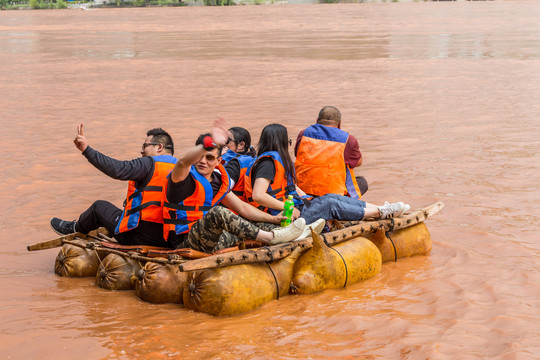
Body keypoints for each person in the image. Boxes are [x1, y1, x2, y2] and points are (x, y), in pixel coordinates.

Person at [163, 118, 306, 253]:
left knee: (251, 221)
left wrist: (273, 219)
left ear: (219, 161)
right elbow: (182, 163)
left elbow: (243, 208)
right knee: (218, 212)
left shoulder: (217, 180)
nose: (203, 161)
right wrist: (205, 146)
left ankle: (296, 233)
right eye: (200, 157)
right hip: (186, 240)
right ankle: (271, 238)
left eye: (209, 158)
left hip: (211, 239)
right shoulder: (182, 177)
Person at [244, 123, 410, 228]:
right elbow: (258, 195)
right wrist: (289, 209)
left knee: (330, 197)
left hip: (295, 208)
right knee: (330, 205)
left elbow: (290, 188)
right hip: (283, 216)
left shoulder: (274, 162)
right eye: (287, 141)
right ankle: (378, 213)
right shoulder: (267, 164)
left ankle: (381, 208)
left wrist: (308, 199)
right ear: (280, 141)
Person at [50, 124, 178, 248]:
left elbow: (117, 169)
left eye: (145, 146)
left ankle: (74, 228)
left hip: (140, 236)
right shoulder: (185, 169)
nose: (142, 151)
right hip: (171, 239)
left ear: (159, 147)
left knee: (98, 207)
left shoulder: (148, 163)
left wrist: (86, 149)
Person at [295, 106, 368, 199]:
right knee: (361, 181)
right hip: (333, 196)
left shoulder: (303, 134)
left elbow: (297, 154)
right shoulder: (348, 139)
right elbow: (358, 162)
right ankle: (345, 203)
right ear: (339, 124)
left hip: (302, 192)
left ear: (317, 120)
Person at [220, 127, 257, 202]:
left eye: (228, 140)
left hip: (231, 210)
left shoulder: (234, 163)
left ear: (241, 145)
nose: (224, 143)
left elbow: (224, 189)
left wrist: (216, 159)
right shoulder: (251, 159)